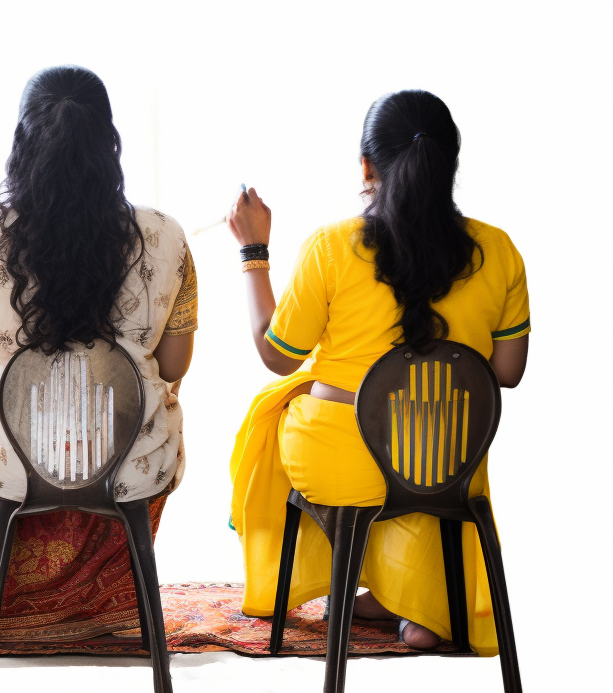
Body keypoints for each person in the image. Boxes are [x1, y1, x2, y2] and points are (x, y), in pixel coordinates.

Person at [0, 66, 197, 641]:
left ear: (22, 140)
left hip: (4, 453)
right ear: (110, 142)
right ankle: (89, 595)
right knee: (153, 392)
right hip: (126, 454)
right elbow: (174, 367)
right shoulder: (166, 234)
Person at [226, 89, 530, 652]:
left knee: (274, 420)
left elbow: (277, 356)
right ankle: (417, 608)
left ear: (366, 166)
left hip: (340, 464)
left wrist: (255, 252)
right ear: (450, 163)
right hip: (446, 464)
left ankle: (342, 590)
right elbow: (508, 372)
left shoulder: (331, 247)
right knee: (423, 448)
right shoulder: (500, 250)